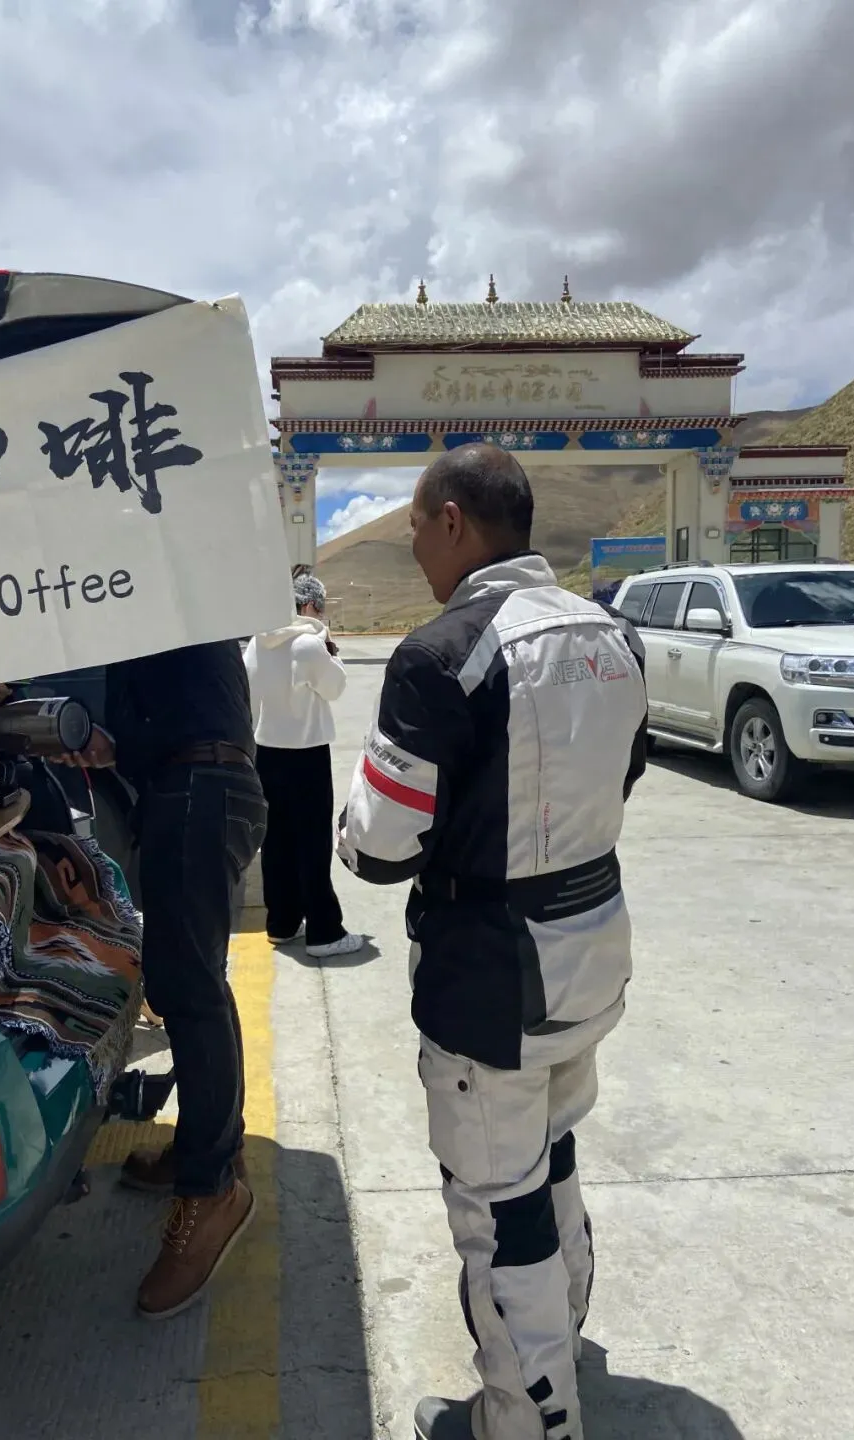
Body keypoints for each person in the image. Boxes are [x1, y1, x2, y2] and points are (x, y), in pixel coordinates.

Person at [337, 445, 647, 1440]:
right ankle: (563, 1343)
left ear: (454, 520)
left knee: (496, 1206)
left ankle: (528, 1419)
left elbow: (379, 849)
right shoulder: (616, 636)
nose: (414, 548)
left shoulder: (441, 654)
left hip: (492, 982)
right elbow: (623, 775)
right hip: (593, 951)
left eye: (416, 528)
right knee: (553, 1157)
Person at [68, 640, 267, 1320]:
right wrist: (113, 746)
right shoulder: (162, 612)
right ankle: (210, 1150)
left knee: (189, 990)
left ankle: (212, 1193)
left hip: (197, 789)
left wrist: (103, 739)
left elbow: (176, 719)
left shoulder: (151, 605)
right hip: (204, 787)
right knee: (195, 985)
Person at [244, 573, 365, 959]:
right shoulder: (309, 644)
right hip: (306, 753)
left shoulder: (258, 642)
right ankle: (324, 931)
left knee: (276, 841)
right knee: (312, 843)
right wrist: (332, 653)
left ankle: (282, 921)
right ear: (310, 606)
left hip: (266, 752)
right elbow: (335, 687)